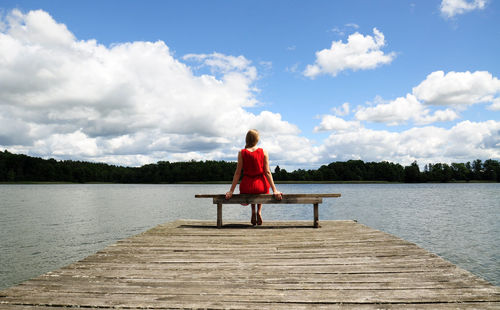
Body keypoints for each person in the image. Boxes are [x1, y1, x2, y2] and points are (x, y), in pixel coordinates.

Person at [225, 129, 282, 226]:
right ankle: (259, 211)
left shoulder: (242, 152)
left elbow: (238, 173)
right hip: (260, 185)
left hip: (246, 185)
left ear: (246, 139)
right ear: (257, 139)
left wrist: (231, 191)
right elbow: (267, 172)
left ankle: (253, 212)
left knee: (252, 190)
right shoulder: (263, 151)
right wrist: (275, 190)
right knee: (260, 187)